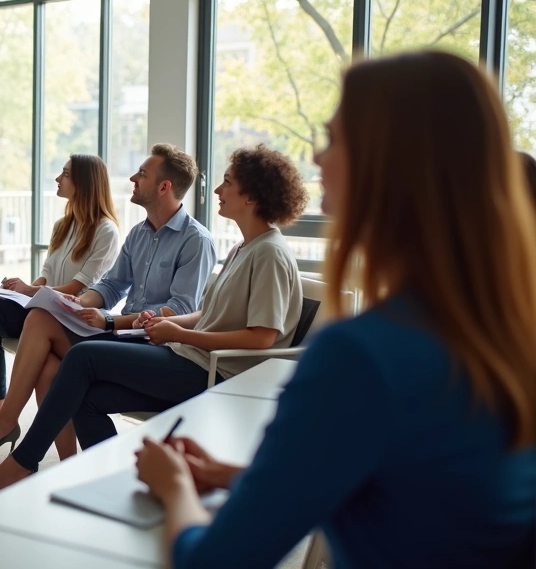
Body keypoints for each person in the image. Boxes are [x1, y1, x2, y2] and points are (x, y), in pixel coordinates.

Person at [135, 51, 536, 568]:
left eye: (335, 139)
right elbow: (416, 488)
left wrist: (173, 489)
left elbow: (212, 561)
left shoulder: (361, 357)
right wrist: (238, 477)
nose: (318, 159)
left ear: (391, 163)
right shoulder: (505, 334)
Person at [0, 144, 307, 495]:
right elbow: (207, 314)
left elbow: (261, 339)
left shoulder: (269, 254)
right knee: (84, 392)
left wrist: (177, 333)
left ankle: (22, 463)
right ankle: (107, 483)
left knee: (82, 358)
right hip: (188, 355)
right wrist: (85, 306)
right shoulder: (243, 248)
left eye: (227, 182)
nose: (217, 190)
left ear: (252, 196)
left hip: (216, 373)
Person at [0, 143, 217, 460]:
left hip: (153, 344)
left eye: (141, 174)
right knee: (43, 346)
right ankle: (51, 451)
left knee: (54, 348)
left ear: (164, 187)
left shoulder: (195, 240)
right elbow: (112, 284)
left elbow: (182, 310)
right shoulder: (139, 233)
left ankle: (9, 428)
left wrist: (108, 320)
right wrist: (78, 303)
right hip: (120, 333)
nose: (132, 177)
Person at [0, 154, 120, 441]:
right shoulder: (63, 225)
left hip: (71, 320)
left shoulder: (106, 231)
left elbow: (78, 287)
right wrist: (20, 293)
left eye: (65, 174)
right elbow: (46, 274)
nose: (58, 179)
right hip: (45, 309)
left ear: (84, 182)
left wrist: (29, 291)